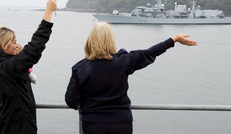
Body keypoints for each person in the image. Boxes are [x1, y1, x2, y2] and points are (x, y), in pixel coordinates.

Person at [65, 21, 197, 134]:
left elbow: (71, 100)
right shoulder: (124, 61)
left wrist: (88, 106)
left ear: (90, 40)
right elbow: (149, 53)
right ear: (111, 39)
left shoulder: (80, 68)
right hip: (122, 123)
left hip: (93, 124)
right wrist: (173, 40)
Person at [0, 0, 57, 134]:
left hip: (0, 125)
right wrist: (48, 12)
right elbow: (34, 48)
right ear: (4, 46)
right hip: (19, 127)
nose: (17, 46)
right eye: (15, 42)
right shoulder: (10, 67)